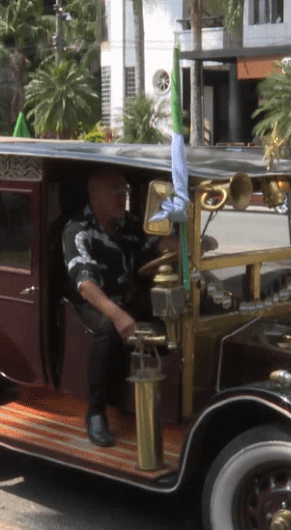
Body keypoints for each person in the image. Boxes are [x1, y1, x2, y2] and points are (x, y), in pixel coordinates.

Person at [62, 169, 215, 446]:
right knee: (107, 329)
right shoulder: (77, 229)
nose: (123, 198)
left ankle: (191, 390)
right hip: (97, 303)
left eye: (125, 192)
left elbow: (157, 244)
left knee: (185, 303)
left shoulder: (128, 223)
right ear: (93, 194)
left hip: (132, 296)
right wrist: (119, 316)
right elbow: (85, 286)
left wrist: (192, 243)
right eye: (115, 192)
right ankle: (96, 411)